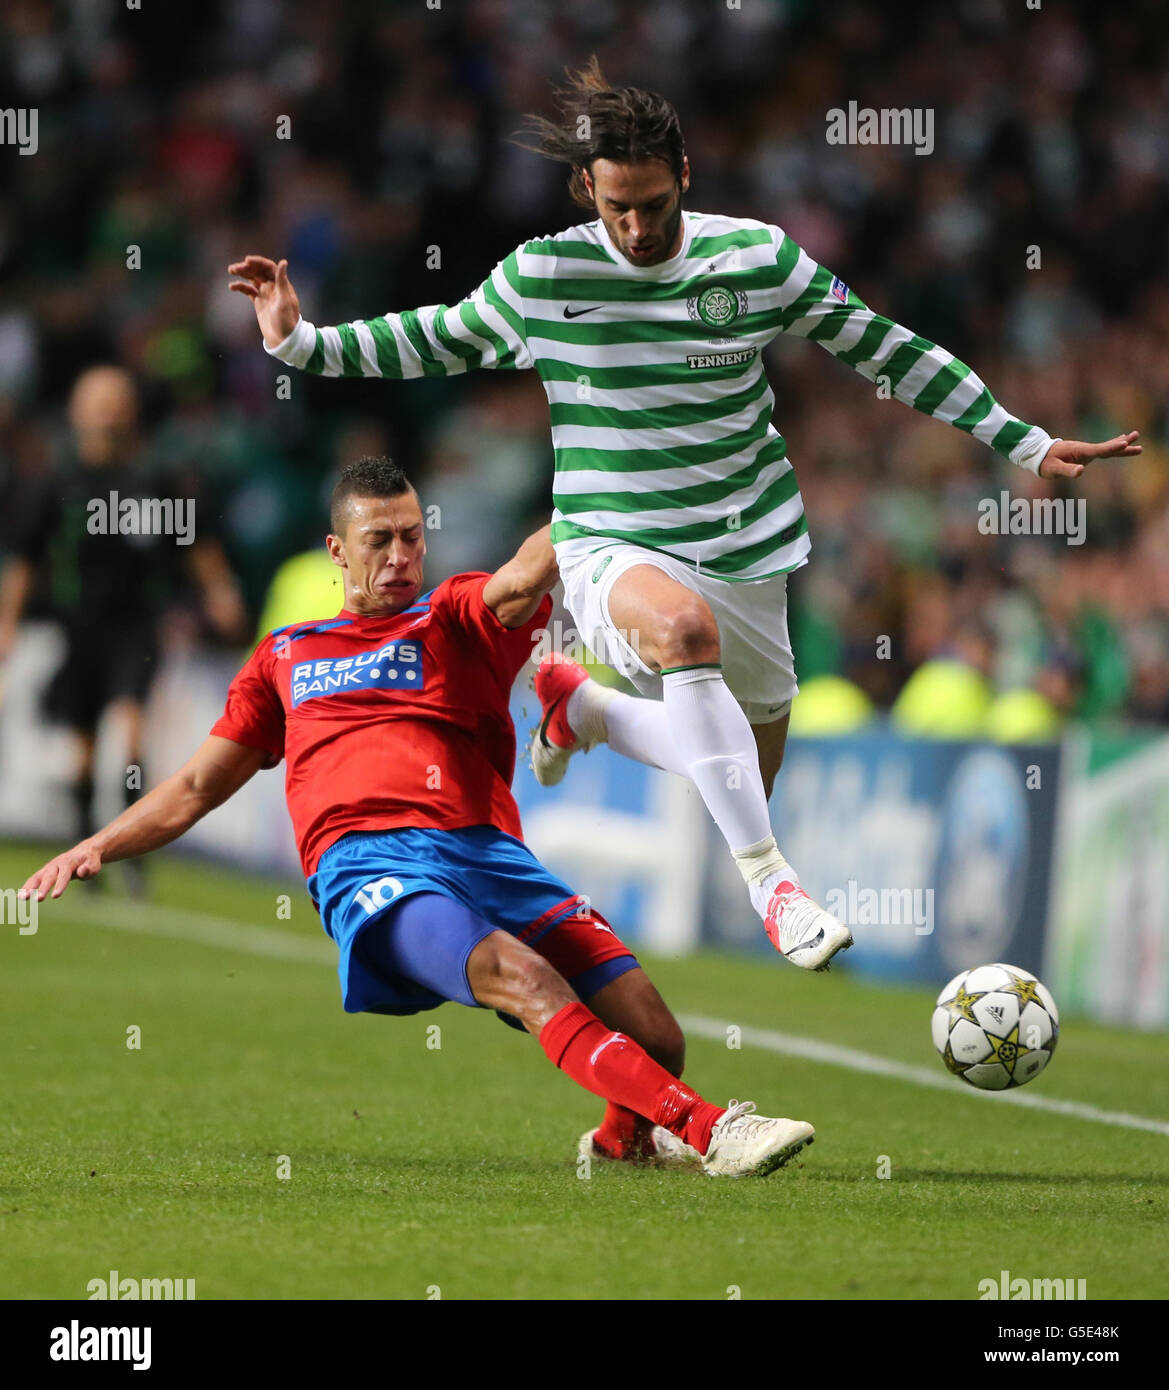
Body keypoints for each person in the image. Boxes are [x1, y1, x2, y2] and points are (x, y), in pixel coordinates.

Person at [227, 59, 1140, 971]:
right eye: (617, 206)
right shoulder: (546, 275)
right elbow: (431, 338)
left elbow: (885, 349)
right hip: (608, 535)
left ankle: (579, 708)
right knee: (682, 633)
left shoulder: (756, 260)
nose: (635, 227)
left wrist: (1020, 440)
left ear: (686, 177)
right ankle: (772, 883)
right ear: (586, 188)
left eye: (654, 205)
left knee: (737, 756)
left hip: (747, 543)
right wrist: (300, 341)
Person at [20, 456, 815, 1178]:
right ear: (337, 551)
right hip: (370, 865)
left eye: (410, 537)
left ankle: (620, 1143)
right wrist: (98, 842)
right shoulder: (285, 656)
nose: (399, 556)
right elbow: (195, 785)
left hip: (488, 856)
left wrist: (612, 495)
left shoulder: (451, 618)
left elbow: (521, 577)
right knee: (525, 980)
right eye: (378, 541)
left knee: (656, 1036)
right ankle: (709, 1129)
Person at [0, 365, 248, 890]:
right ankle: (86, 846)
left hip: (136, 626)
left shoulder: (153, 478)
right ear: (76, 410)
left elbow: (195, 542)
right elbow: (23, 559)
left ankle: (132, 855)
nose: (105, 410)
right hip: (76, 627)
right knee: (83, 745)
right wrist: (7, 623)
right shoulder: (56, 480)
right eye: (96, 400)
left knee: (129, 727)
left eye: (115, 400)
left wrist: (220, 592)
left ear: (131, 409)